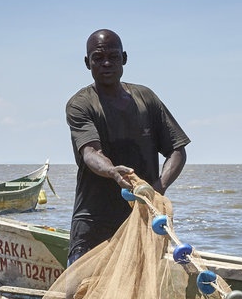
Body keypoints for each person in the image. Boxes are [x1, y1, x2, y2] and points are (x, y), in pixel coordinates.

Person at [66, 29, 190, 264]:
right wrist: (112, 172)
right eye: (98, 58)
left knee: (139, 284)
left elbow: (177, 150)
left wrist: (158, 188)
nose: (106, 64)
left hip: (144, 214)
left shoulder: (146, 98)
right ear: (87, 63)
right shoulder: (81, 104)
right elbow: (90, 152)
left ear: (124, 58)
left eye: (113, 57)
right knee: (77, 288)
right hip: (94, 217)